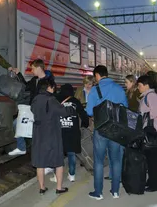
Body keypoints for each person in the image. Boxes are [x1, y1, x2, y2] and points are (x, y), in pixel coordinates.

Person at [86, 65, 128, 200]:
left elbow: (89, 112)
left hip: (101, 129)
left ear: (97, 75)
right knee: (116, 160)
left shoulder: (94, 89)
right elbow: (125, 108)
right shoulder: (119, 88)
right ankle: (115, 191)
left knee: (98, 161)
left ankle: (98, 193)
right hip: (115, 129)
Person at [31, 78, 74, 195]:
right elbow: (63, 112)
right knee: (58, 161)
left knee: (40, 162)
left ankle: (42, 187)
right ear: (49, 87)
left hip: (39, 134)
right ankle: (59, 188)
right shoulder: (51, 100)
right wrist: (70, 108)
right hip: (51, 134)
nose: (54, 89)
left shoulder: (35, 99)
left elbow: (34, 110)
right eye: (53, 87)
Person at [8, 59, 54, 156]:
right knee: (16, 123)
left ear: (38, 68)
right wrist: (18, 74)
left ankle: (45, 156)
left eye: (33, 69)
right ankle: (21, 147)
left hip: (42, 111)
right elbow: (25, 85)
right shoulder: (34, 80)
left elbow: (52, 97)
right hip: (31, 109)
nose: (32, 71)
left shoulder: (49, 81)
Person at [48, 84, 89, 183]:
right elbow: (84, 116)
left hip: (59, 131)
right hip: (72, 131)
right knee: (71, 153)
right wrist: (84, 125)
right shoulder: (75, 101)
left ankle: (56, 176)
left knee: (58, 154)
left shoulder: (55, 100)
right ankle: (72, 175)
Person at [105, 74, 139, 181]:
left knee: (123, 149)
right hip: (127, 122)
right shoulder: (128, 93)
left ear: (132, 82)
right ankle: (116, 174)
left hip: (131, 122)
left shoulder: (136, 93)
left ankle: (121, 174)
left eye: (126, 83)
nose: (125, 85)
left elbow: (134, 108)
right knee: (121, 149)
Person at [137, 75, 157, 192]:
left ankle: (155, 185)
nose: (138, 88)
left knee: (152, 160)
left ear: (146, 85)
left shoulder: (151, 96)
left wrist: (143, 116)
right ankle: (151, 181)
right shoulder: (147, 96)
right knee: (149, 159)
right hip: (148, 130)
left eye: (140, 85)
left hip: (152, 132)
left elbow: (156, 112)